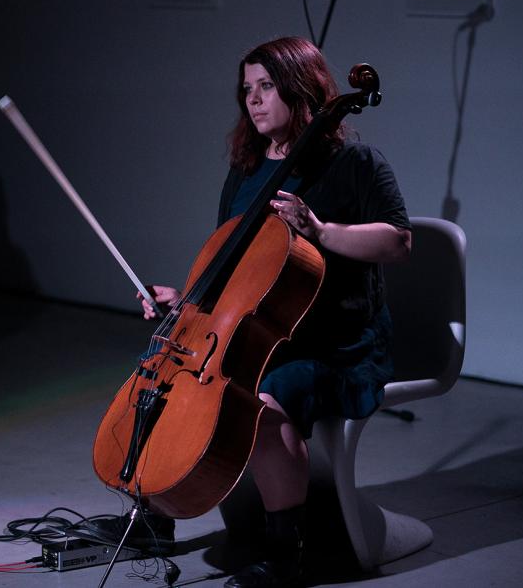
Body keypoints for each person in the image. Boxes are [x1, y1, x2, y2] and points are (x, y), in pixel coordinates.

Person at [137, 37, 411, 587]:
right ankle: (155, 519)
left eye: (267, 86)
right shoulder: (247, 169)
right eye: (247, 89)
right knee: (163, 375)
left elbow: (398, 241)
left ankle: (286, 557)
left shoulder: (356, 163)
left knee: (264, 402)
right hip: (268, 331)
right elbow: (234, 260)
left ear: (300, 88)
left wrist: (321, 231)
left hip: (337, 342)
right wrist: (185, 300)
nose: (254, 100)